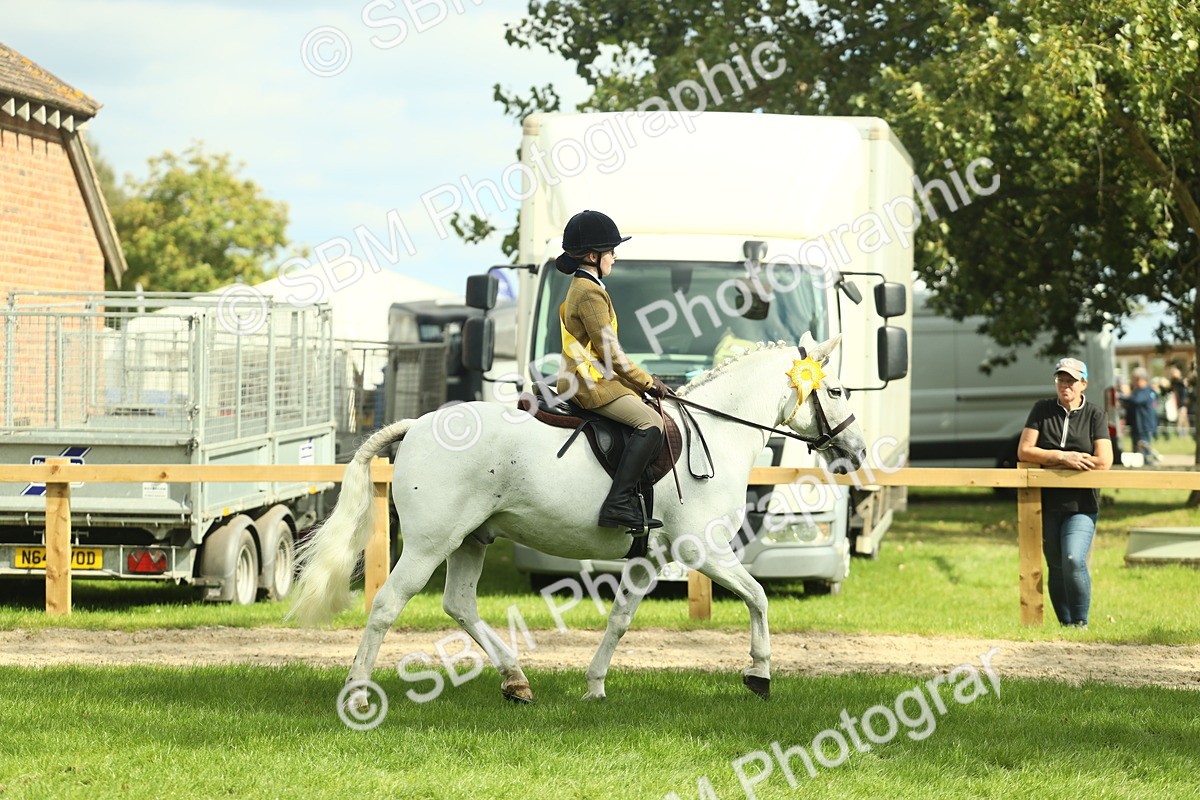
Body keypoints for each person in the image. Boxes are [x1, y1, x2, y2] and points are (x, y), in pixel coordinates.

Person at [554, 209, 671, 531]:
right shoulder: (590, 292)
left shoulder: (585, 286)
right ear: (593, 256)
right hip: (588, 383)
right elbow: (611, 354)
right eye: (611, 251)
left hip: (590, 377)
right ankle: (617, 503)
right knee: (651, 422)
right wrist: (648, 382)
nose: (615, 257)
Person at [1017, 357, 1113, 629]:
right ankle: (1066, 625)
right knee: (1056, 565)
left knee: (1072, 558)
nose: (1065, 385)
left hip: (1082, 504)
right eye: (1061, 379)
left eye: (1071, 380)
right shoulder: (1042, 409)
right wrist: (1063, 457)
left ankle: (1080, 623)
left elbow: (1103, 461)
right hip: (1045, 502)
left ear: (1084, 384)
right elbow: (1024, 451)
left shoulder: (1095, 414)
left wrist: (1049, 459)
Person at [1123, 368, 1160, 465]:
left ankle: (1149, 465)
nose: (1133, 382)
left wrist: (1123, 396)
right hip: (1137, 426)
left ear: (1140, 379)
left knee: (1144, 451)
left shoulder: (1146, 391)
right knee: (1137, 452)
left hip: (1144, 427)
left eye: (1134, 379)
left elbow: (1136, 400)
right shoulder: (1138, 391)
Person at [1169, 365, 1191, 437]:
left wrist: (1184, 404)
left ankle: (1181, 434)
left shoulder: (1182, 383)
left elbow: (1185, 394)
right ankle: (1184, 434)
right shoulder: (1174, 383)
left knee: (1182, 419)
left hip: (1182, 403)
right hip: (1177, 403)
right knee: (1183, 419)